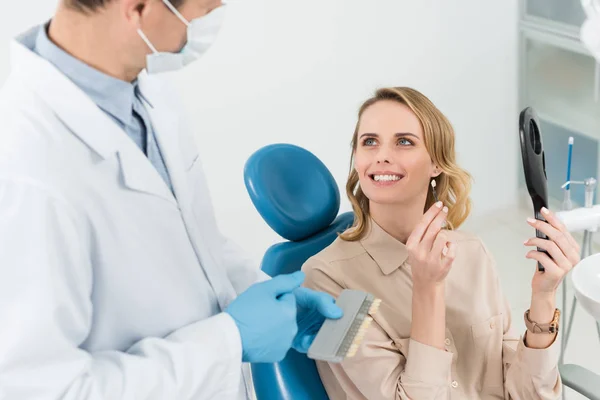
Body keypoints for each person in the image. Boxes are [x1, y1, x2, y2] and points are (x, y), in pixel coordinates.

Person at [0, 0, 343, 399]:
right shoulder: (25, 170)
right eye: (204, 8)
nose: (210, 20)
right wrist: (229, 341)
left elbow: (189, 233)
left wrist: (262, 293)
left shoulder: (148, 89)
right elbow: (41, 388)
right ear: (139, 8)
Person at [302, 87, 581, 399]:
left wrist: (543, 296)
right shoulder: (323, 282)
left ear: (436, 163)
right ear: (357, 159)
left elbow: (529, 394)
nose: (381, 155)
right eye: (369, 142)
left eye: (404, 141)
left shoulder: (472, 254)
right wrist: (427, 289)